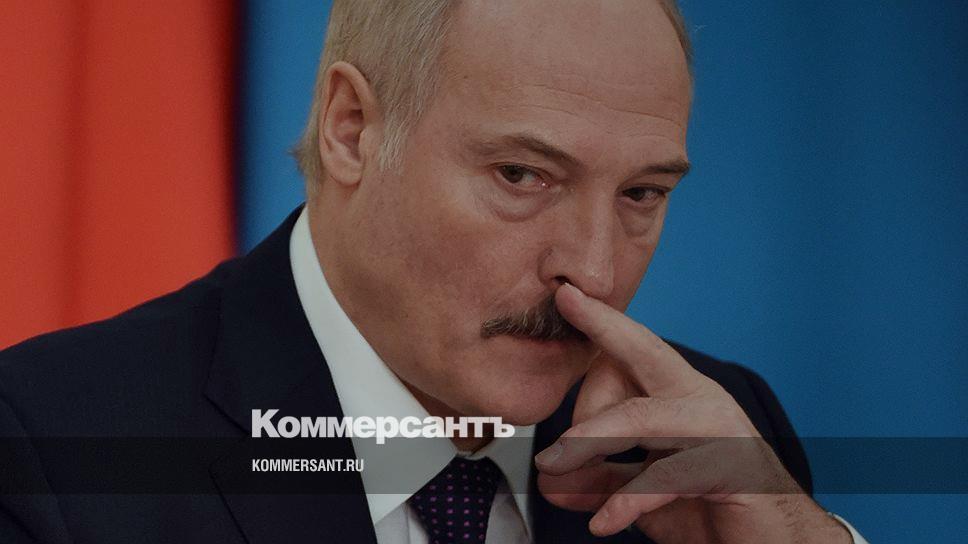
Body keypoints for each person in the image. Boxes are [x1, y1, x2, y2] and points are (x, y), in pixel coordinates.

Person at [0, 1, 868, 543]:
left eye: (642, 194)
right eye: (522, 176)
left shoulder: (716, 439)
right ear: (351, 128)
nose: (594, 272)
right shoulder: (49, 452)